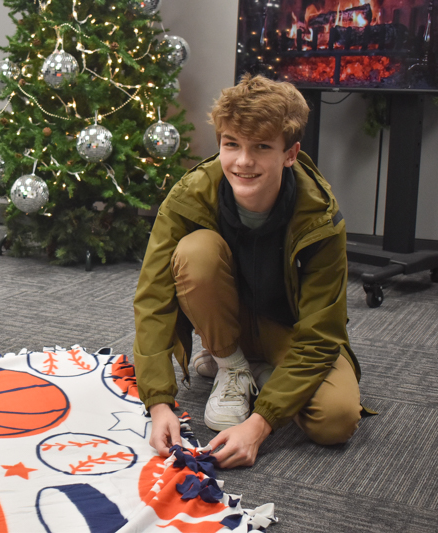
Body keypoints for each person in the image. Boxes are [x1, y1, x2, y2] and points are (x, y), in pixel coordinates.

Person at [133, 74, 365, 469]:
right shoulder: (189, 195)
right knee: (196, 252)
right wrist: (158, 404)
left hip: (287, 329)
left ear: (289, 154)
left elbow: (322, 331)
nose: (243, 161)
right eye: (231, 145)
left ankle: (259, 366)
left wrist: (259, 425)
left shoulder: (320, 215)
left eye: (261, 147)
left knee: (336, 420)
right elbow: (153, 296)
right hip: (224, 317)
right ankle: (231, 363)